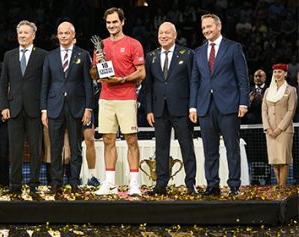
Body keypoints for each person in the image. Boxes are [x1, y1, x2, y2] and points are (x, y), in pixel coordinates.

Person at [189, 13, 249, 196]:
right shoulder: (198, 52)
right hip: (205, 106)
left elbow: (242, 78)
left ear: (219, 26)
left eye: (209, 26)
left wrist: (243, 102)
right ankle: (212, 184)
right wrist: (193, 106)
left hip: (229, 105)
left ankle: (234, 185)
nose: (206, 30)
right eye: (203, 28)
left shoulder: (233, 48)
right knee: (209, 149)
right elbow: (195, 82)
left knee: (232, 148)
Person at [93, 8, 146, 196]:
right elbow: (95, 75)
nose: (111, 26)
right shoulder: (101, 46)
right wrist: (98, 64)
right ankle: (109, 183)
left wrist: (123, 80)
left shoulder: (133, 44)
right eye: (108, 23)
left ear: (122, 22)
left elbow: (142, 73)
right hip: (106, 98)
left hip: (126, 97)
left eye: (115, 22)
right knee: (108, 140)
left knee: (131, 140)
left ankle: (134, 184)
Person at [40, 21, 93, 199]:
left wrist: (88, 108)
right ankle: (56, 184)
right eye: (60, 33)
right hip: (54, 108)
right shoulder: (50, 56)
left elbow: (88, 83)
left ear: (73, 36)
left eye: (66, 33)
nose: (63, 36)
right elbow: (45, 85)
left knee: (76, 148)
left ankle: (75, 183)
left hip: (76, 108)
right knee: (55, 148)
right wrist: (44, 110)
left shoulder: (83, 55)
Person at [144, 22, 197, 195]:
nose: (163, 36)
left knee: (187, 147)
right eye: (160, 33)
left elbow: (193, 83)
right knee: (161, 148)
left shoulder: (187, 54)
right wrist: (149, 110)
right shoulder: (151, 56)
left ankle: (191, 184)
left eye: (167, 33)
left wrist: (192, 107)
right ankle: (160, 184)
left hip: (182, 109)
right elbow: (148, 87)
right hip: (159, 110)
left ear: (174, 35)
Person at [0, 20, 47, 196]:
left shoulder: (43, 55)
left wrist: (45, 109)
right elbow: (3, 83)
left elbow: (46, 84)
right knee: (15, 149)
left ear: (33, 35)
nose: (23, 36)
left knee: (36, 149)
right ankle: (15, 185)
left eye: (26, 33)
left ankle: (34, 185)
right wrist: (4, 106)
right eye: (20, 33)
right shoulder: (9, 56)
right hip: (14, 109)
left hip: (35, 109)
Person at [261, 64, 296, 187]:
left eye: (280, 72)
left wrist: (279, 128)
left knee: (283, 160)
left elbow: (291, 111)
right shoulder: (268, 91)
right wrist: (268, 128)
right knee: (275, 160)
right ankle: (279, 185)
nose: (277, 74)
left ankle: (282, 186)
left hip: (284, 130)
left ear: (285, 74)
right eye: (275, 72)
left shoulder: (291, 90)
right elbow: (264, 111)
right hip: (270, 131)